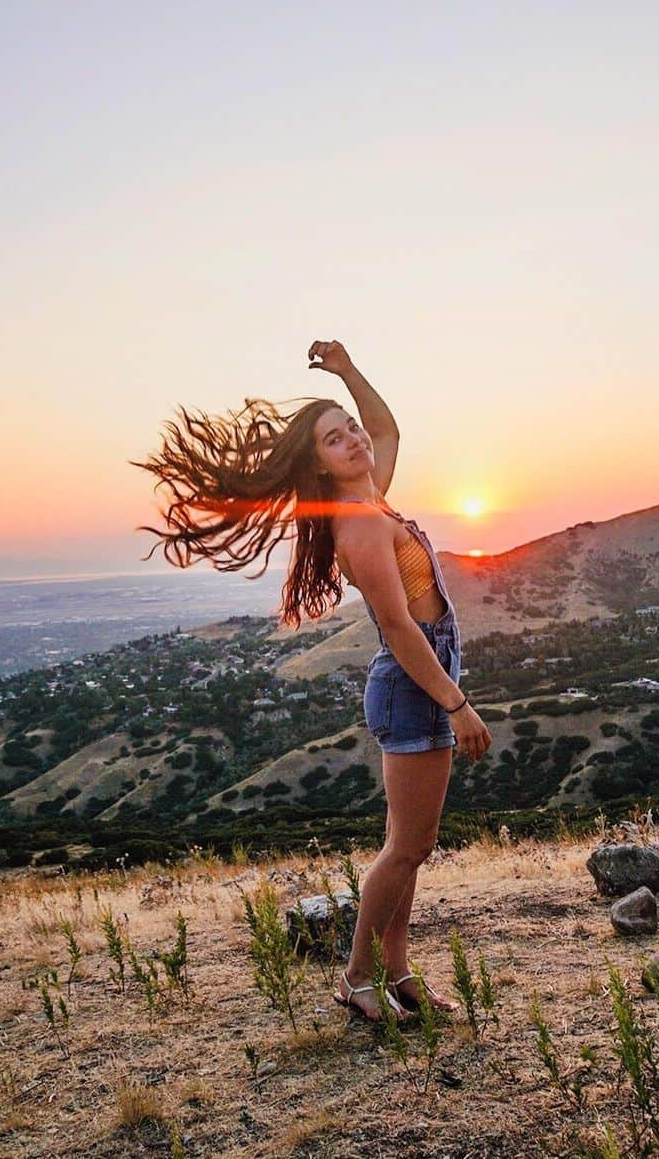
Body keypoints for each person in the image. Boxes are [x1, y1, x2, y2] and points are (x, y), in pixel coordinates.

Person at [132, 339, 492, 1024]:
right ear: (319, 465)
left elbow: (387, 428)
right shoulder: (358, 522)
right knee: (411, 847)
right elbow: (398, 627)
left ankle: (397, 972)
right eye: (335, 438)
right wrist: (458, 703)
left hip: (422, 679)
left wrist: (347, 372)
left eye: (348, 428)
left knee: (405, 849)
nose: (355, 439)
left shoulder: (373, 497)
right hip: (417, 681)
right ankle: (358, 977)